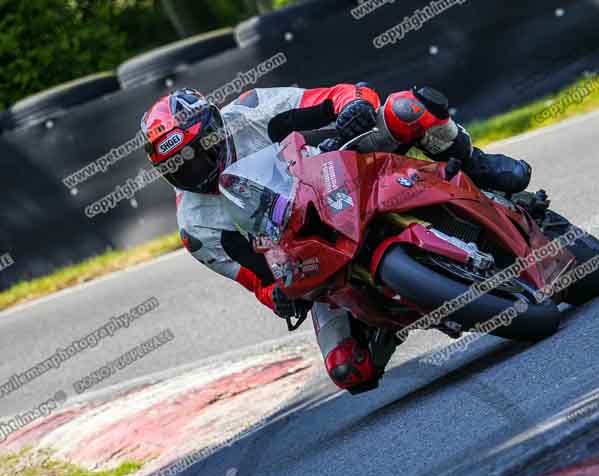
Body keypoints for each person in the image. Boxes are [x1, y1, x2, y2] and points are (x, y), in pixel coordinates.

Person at [141, 84, 534, 394]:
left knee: (406, 109)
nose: (196, 167)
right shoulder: (196, 228)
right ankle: (393, 308)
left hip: (338, 174)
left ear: (215, 127)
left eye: (201, 150)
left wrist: (353, 109)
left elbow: (342, 94)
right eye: (180, 166)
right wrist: (277, 296)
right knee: (349, 369)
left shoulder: (252, 110)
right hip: (309, 253)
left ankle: (480, 167)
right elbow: (256, 279)